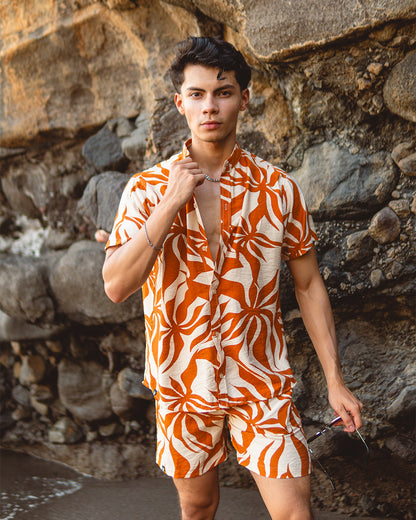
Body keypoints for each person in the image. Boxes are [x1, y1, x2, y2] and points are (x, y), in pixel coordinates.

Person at [102, 36, 363, 520]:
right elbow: (116, 285)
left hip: (261, 377)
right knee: (198, 507)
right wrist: (170, 204)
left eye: (222, 92)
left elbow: (307, 285)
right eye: (197, 94)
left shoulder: (279, 189)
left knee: (293, 512)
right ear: (180, 104)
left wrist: (335, 381)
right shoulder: (146, 190)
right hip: (183, 379)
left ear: (244, 98)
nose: (210, 106)